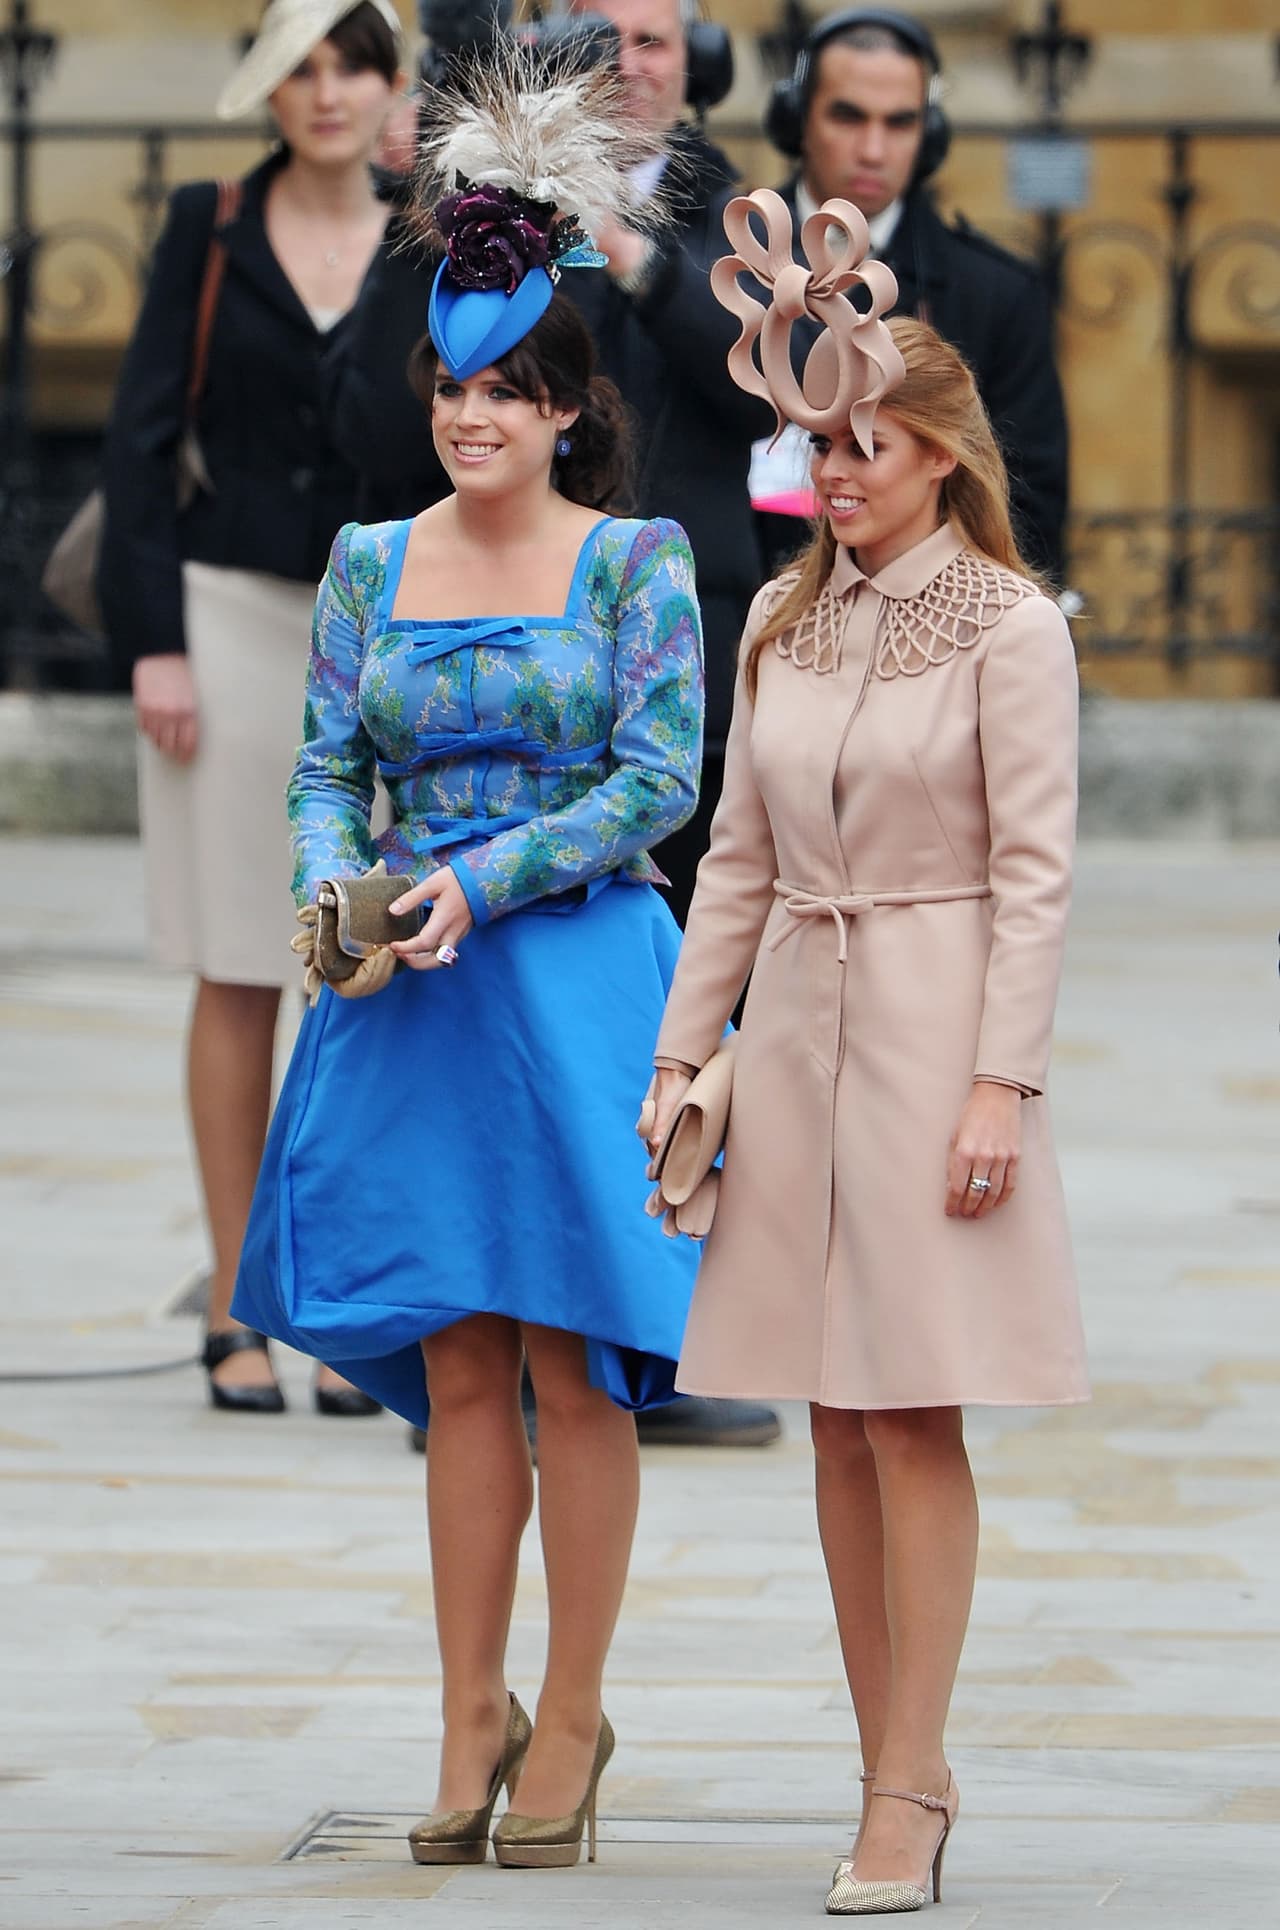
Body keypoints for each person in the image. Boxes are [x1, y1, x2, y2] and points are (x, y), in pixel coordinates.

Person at [232, 61, 706, 1868]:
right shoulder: (366, 563)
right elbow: (327, 765)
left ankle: (573, 1713)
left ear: (573, 411)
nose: (472, 416)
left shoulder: (639, 567)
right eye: (452, 385)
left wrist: (484, 882)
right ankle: (466, 1713)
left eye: (510, 389)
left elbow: (659, 779)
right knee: (454, 1369)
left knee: (579, 1363)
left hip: (577, 983)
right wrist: (329, 892)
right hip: (409, 1001)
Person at [645, 188, 1088, 1914]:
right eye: (817, 443)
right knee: (827, 1421)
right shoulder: (774, 622)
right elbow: (736, 864)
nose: (835, 475)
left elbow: (1040, 877)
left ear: (938, 456)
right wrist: (686, 1061)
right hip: (803, 1034)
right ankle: (883, 1757)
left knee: (911, 1416)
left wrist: (1003, 1083)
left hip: (934, 1028)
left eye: (870, 447)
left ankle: (912, 1780)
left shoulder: (1011, 625)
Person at [325, 0, 785, 1451]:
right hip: (462, 718)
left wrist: (623, 247)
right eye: (594, 34)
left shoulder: (721, 213)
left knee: (691, 1016)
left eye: (651, 37)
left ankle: (668, 1316)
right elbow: (329, 760)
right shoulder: (468, 237)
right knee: (465, 1258)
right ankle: (469, 1338)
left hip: (661, 624)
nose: (622, 62)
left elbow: (746, 377)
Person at [97, 0, 408, 1417]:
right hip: (225, 622)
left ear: (394, 87)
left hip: (389, 636)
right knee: (238, 966)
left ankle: (343, 1310)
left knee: (360, 972)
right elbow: (141, 437)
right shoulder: (208, 226)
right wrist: (152, 641)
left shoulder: (431, 231)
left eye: (355, 64)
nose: (329, 91)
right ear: (270, 91)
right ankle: (234, 1304)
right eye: (304, 68)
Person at [761, 8, 1069, 587]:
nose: (873, 150)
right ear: (797, 118)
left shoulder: (997, 294)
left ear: (928, 137)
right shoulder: (719, 265)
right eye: (848, 117)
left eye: (900, 123)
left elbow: (1027, 504)